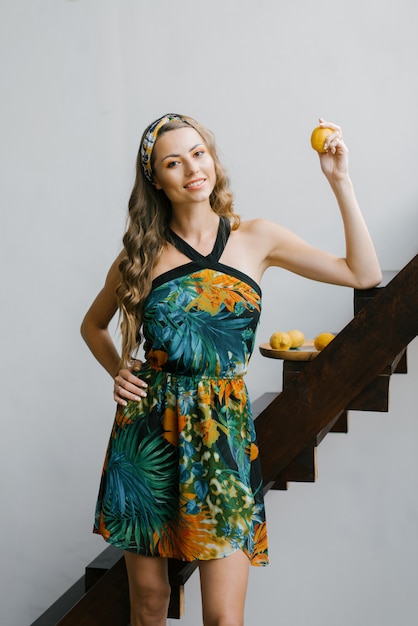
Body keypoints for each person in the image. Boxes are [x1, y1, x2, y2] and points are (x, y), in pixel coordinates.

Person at [81, 113, 381, 626]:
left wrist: (341, 181)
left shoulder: (256, 238)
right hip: (149, 436)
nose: (191, 168)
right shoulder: (142, 253)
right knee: (149, 604)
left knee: (223, 617)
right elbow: (93, 325)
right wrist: (118, 370)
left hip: (222, 436)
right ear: (157, 179)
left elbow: (364, 273)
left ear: (212, 160)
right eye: (173, 162)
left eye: (198, 153)